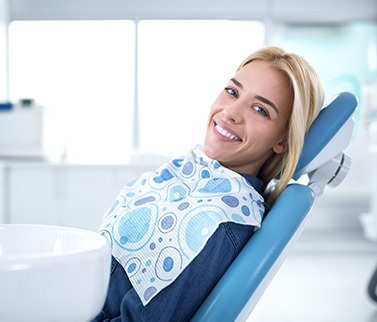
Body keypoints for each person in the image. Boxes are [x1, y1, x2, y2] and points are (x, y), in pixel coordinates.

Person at [92, 46, 324, 321]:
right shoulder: (189, 172)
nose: (230, 113)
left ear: (283, 140)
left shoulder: (216, 224)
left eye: (260, 109)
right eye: (233, 91)